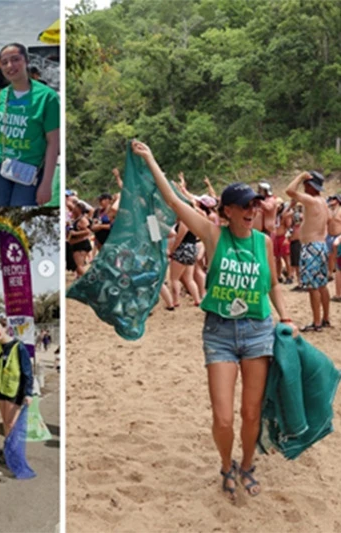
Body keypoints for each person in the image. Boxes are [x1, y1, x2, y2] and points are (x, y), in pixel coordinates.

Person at [132, 140, 297, 500]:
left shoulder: (264, 243)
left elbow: (271, 285)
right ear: (226, 211)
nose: (250, 210)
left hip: (258, 331)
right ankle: (227, 464)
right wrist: (150, 159)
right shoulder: (212, 233)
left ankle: (248, 464)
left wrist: (285, 317)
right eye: (242, 205)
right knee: (223, 418)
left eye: (253, 204)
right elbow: (175, 202)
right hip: (219, 332)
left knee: (250, 414)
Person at [0, 43, 59, 207]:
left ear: (26, 61)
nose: (10, 66)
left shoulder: (47, 97)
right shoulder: (2, 95)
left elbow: (53, 142)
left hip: (29, 169)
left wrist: (46, 184)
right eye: (4, 62)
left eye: (15, 60)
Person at [285, 171, 331, 331]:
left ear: (310, 186)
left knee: (313, 287)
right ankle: (325, 318)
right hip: (321, 244)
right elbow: (330, 220)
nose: (303, 187)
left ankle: (317, 322)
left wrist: (300, 176)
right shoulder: (323, 202)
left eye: (305, 185)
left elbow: (289, 191)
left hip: (311, 246)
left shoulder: (311, 200)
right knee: (323, 285)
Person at [0, 318, 33, 438]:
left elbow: (27, 372)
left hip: (16, 391)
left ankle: (14, 453)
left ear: (5, 328)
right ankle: (7, 451)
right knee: (6, 423)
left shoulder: (19, 347)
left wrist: (28, 393)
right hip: (2, 390)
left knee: (12, 423)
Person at [168, 221, 202, 306]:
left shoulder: (184, 222)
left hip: (183, 249)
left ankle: (175, 300)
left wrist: (172, 250)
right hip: (191, 249)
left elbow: (179, 238)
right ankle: (197, 299)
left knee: (174, 278)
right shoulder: (191, 222)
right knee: (189, 279)